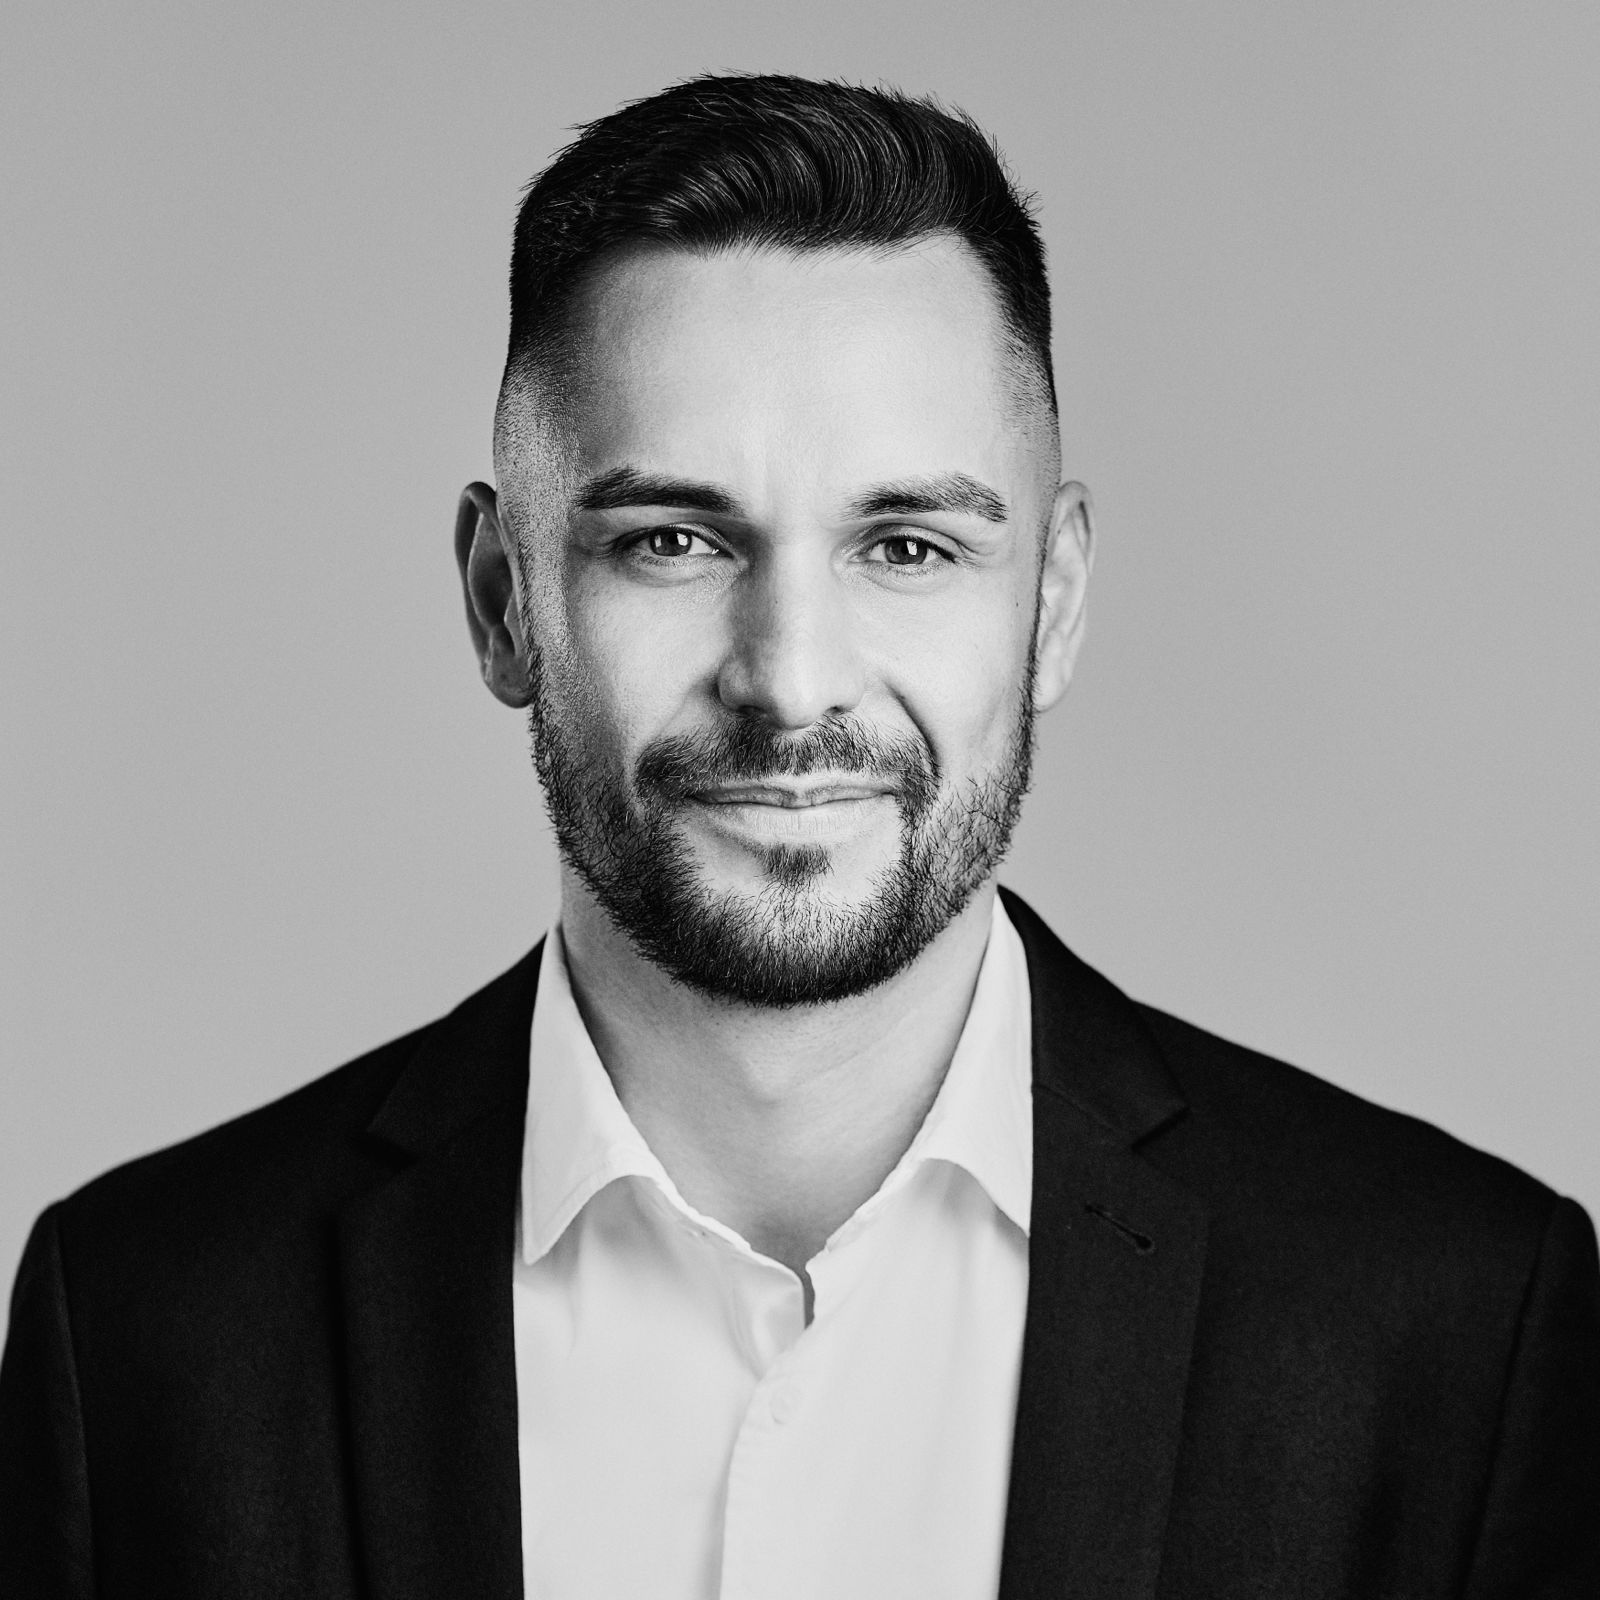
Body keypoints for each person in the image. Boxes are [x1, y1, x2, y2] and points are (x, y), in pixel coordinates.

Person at [2, 71, 1596, 1600]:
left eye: (905, 543)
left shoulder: (1454, 1328)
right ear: (503, 602)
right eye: (673, 540)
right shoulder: (146, 1329)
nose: (792, 680)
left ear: (1052, 602)